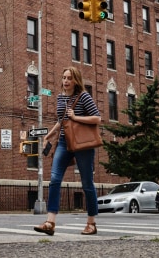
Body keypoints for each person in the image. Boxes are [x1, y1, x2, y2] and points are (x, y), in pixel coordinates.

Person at [34, 66, 101, 236]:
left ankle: (91, 223)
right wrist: (48, 136)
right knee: (55, 179)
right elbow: (60, 121)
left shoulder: (83, 96)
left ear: (75, 80)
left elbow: (97, 118)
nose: (65, 81)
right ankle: (50, 222)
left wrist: (76, 117)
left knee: (87, 183)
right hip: (64, 142)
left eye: (69, 78)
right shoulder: (60, 98)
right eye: (64, 77)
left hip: (82, 143)